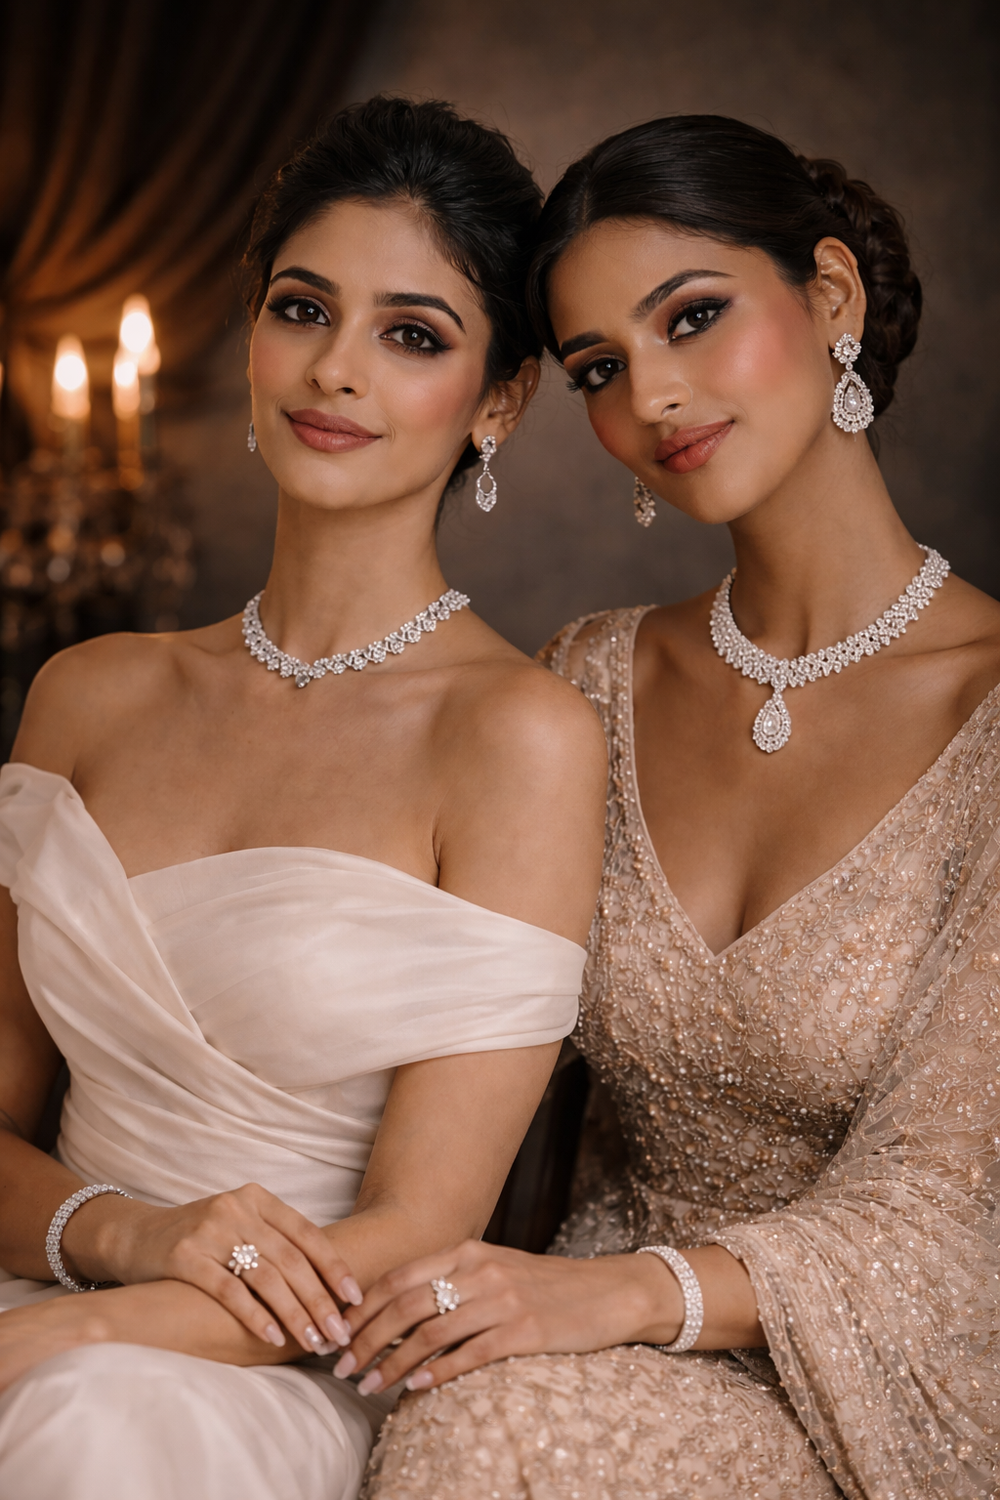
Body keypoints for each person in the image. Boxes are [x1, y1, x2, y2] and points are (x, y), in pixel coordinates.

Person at [348, 115, 1000, 1500]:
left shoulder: (989, 713)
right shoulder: (586, 680)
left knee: (495, 1427)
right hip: (562, 1316)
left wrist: (629, 1301)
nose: (652, 396)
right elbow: (459, 1039)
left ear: (830, 298)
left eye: (692, 318)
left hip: (889, 1372)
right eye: (600, 367)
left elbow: (948, 1202)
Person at [0, 96, 607, 1500]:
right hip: (61, 1288)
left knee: (87, 1429)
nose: (337, 371)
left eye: (413, 335)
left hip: (275, 1376)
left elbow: (409, 1235)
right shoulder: (87, 696)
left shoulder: (517, 735)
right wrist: (122, 1241)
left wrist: (89, 1330)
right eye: (302, 308)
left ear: (500, 401)